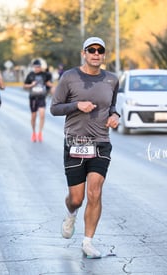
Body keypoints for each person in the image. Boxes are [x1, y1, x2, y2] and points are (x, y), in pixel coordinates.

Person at [50, 37, 120, 258]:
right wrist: (76, 105)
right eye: (92, 50)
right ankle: (71, 213)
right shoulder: (69, 77)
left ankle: (88, 241)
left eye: (100, 50)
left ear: (104, 54)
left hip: (101, 143)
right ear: (84, 53)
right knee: (77, 198)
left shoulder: (112, 80)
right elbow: (54, 108)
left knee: (95, 192)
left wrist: (115, 115)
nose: (96, 54)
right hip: (76, 143)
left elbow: (112, 106)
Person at [24, 59, 53, 142]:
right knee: (33, 116)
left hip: (41, 97)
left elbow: (49, 82)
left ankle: (40, 133)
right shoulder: (30, 75)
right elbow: (25, 85)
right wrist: (31, 85)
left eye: (38, 67)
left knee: (42, 115)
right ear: (33, 67)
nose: (37, 68)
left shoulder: (45, 74)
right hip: (33, 98)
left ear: (41, 67)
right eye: (35, 67)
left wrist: (54, 87)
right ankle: (33, 132)